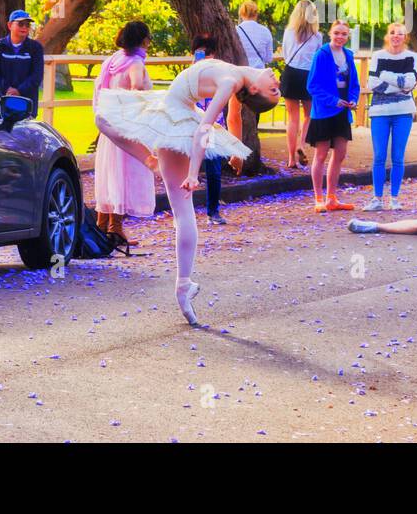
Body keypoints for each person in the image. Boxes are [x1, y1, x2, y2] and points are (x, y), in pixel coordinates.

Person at [94, 58, 280, 325]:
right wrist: (235, 148)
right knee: (102, 118)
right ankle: (150, 161)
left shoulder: (230, 81)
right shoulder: (238, 77)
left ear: (254, 90)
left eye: (273, 90)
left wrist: (193, 172)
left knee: (183, 209)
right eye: (276, 87)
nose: (276, 82)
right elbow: (233, 116)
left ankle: (183, 284)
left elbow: (204, 128)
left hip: (179, 121)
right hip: (173, 108)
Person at [91, 21, 156, 247]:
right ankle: (115, 228)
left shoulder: (111, 61)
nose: (150, 42)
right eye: (149, 38)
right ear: (142, 40)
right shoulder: (135, 62)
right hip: (126, 128)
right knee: (121, 175)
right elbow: (137, 86)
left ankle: (101, 226)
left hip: (109, 126)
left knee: (109, 173)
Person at [306, 20, 360, 213]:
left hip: (342, 111)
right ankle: (318, 198)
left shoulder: (349, 55)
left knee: (341, 153)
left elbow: (354, 85)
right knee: (321, 154)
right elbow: (312, 86)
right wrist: (333, 100)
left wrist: (353, 100)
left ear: (348, 36)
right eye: (337, 33)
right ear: (330, 33)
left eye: (344, 34)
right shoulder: (321, 55)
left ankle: (332, 197)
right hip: (324, 111)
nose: (340, 37)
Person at [364, 22, 417, 212]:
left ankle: (394, 198)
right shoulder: (378, 56)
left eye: (401, 34)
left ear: (405, 37)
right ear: (387, 36)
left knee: (398, 156)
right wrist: (398, 83)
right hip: (379, 112)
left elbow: (409, 85)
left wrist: (386, 76)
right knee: (379, 155)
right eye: (393, 33)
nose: (396, 36)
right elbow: (372, 83)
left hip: (403, 111)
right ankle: (377, 198)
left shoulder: (411, 57)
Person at [191, 34, 231, 225]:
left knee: (214, 170)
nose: (205, 57)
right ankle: (183, 213)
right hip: (191, 125)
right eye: (201, 53)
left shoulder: (220, 73)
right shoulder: (190, 73)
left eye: (208, 53)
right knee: (186, 170)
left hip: (213, 126)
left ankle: (212, 211)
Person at [280, 0, 322, 169]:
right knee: (309, 114)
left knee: (292, 118)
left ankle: (291, 159)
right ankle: (302, 145)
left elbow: (284, 53)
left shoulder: (288, 32)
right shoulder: (317, 36)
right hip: (308, 75)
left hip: (290, 73)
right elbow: (317, 59)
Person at [0, 10, 45, 116]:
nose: (24, 28)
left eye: (27, 25)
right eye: (20, 24)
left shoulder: (36, 48)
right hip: (1, 101)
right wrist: (7, 89)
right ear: (9, 25)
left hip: (26, 102)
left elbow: (37, 76)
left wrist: (19, 91)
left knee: (23, 131)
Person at [236, 0, 275, 70]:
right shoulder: (265, 31)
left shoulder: (235, 31)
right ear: (256, 14)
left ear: (241, 14)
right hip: (259, 74)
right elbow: (269, 59)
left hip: (241, 73)